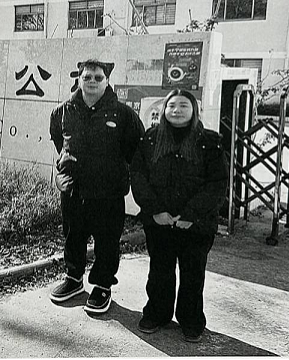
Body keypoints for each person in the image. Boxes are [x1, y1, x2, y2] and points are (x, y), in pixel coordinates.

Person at [130, 89, 228, 342]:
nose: (176, 110)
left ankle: (191, 320)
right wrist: (155, 210)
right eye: (171, 105)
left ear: (194, 110)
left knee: (192, 274)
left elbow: (217, 184)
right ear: (164, 110)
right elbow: (138, 176)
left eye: (183, 105)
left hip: (196, 225)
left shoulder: (210, 141)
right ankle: (157, 313)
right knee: (160, 271)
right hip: (159, 222)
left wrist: (191, 215)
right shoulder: (151, 139)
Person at [49, 59, 144, 314]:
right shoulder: (63, 111)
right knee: (73, 237)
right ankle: (74, 278)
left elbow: (135, 151)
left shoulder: (123, 115)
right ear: (79, 80)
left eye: (98, 77)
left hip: (108, 194)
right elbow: (59, 140)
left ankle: (103, 285)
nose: (92, 81)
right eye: (87, 77)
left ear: (107, 81)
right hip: (73, 191)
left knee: (107, 242)